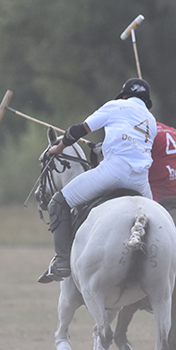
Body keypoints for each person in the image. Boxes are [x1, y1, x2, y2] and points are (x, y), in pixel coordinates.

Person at [38, 78, 156, 283]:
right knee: (156, 221)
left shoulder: (115, 106)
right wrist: (103, 148)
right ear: (146, 101)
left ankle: (62, 261)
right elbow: (133, 148)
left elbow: (77, 131)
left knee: (58, 202)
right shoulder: (151, 120)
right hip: (141, 181)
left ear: (124, 95)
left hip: (113, 172)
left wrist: (58, 148)